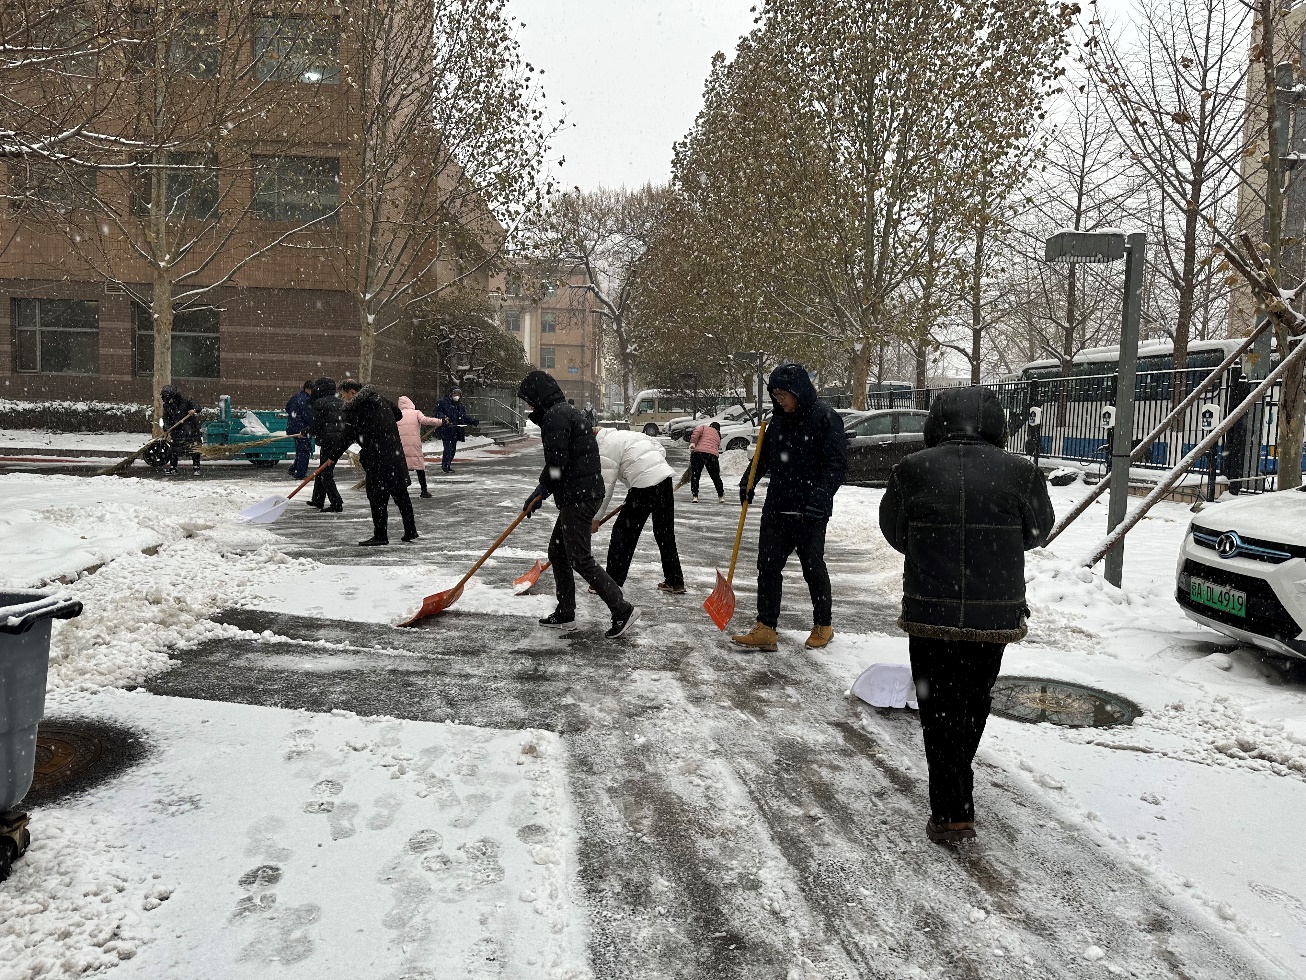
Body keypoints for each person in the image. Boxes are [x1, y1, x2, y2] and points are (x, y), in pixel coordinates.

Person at [878, 386, 1055, 846]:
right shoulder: (1020, 472)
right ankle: (957, 792)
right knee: (973, 700)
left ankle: (951, 810)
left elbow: (895, 532)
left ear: (937, 421)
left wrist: (931, 544)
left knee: (935, 707)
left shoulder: (911, 469)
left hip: (929, 609)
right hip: (992, 613)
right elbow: (1037, 531)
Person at [732, 364, 847, 653]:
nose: (779, 400)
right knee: (767, 567)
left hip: (810, 511)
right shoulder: (777, 422)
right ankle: (766, 627)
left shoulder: (825, 418)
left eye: (783, 394)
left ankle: (823, 625)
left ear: (799, 391)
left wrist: (820, 497)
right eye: (775, 395)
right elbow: (762, 458)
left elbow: (836, 466)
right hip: (777, 507)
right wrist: (748, 482)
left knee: (813, 568)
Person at [517, 369, 640, 639]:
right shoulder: (565, 412)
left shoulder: (555, 416)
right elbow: (562, 460)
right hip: (583, 491)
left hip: (579, 496)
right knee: (558, 552)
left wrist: (542, 490)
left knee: (579, 558)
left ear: (538, 396)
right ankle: (565, 612)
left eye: (529, 400)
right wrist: (544, 488)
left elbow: (557, 463)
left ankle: (622, 609)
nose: (528, 406)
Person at [595, 427, 685, 594]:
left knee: (623, 533)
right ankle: (675, 580)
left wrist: (596, 517)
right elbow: (660, 450)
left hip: (644, 485)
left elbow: (605, 486)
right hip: (664, 479)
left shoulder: (605, 446)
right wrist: (650, 470)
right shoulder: (630, 435)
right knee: (664, 533)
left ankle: (611, 582)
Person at [339, 381, 418, 546]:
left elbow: (347, 436)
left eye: (343, 395)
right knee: (401, 494)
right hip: (394, 453)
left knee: (377, 497)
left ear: (352, 392)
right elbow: (398, 414)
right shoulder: (380, 399)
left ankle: (381, 535)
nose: (343, 399)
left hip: (376, 457)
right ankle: (410, 530)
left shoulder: (357, 409)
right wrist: (383, 425)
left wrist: (332, 457)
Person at [306, 377, 346, 512]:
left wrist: (305, 432)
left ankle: (336, 503)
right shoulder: (341, 402)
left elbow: (316, 426)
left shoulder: (320, 403)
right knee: (322, 470)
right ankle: (318, 500)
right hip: (338, 442)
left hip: (328, 442)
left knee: (326, 473)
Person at [397, 396, 442, 498]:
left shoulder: (398, 415)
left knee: (402, 468)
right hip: (414, 443)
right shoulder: (416, 413)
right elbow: (425, 420)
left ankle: (401, 491)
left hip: (401, 444)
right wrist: (439, 421)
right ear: (410, 403)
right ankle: (424, 491)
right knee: (419, 468)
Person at [160, 384, 202, 475]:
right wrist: (166, 428)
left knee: (193, 448)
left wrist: (194, 410)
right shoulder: (167, 405)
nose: (169, 401)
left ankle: (196, 468)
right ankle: (173, 468)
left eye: (169, 399)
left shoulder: (186, 400)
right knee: (174, 449)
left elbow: (198, 407)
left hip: (190, 429)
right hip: (177, 429)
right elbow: (166, 418)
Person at [435, 387, 478, 474]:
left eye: (458, 394)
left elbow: (463, 417)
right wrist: (444, 418)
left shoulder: (459, 406)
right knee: (448, 448)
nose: (457, 396)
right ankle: (445, 465)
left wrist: (473, 421)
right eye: (455, 394)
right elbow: (437, 413)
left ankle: (448, 464)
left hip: (455, 430)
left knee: (453, 449)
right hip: (446, 429)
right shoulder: (443, 402)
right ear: (451, 394)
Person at [285, 380, 315, 479]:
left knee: (300, 450)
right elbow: (308, 416)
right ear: (308, 389)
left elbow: (287, 408)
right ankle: (300, 474)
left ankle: (293, 468)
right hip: (302, 429)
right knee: (304, 451)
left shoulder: (296, 397)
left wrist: (294, 417)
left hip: (293, 427)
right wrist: (312, 426)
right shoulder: (306, 399)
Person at [689, 420, 724, 503]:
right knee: (715, 476)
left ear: (710, 425)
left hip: (699, 453)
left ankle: (695, 496)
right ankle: (721, 496)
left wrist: (693, 443)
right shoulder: (718, 435)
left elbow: (696, 433)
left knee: (695, 475)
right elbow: (716, 446)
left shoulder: (704, 427)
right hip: (712, 456)